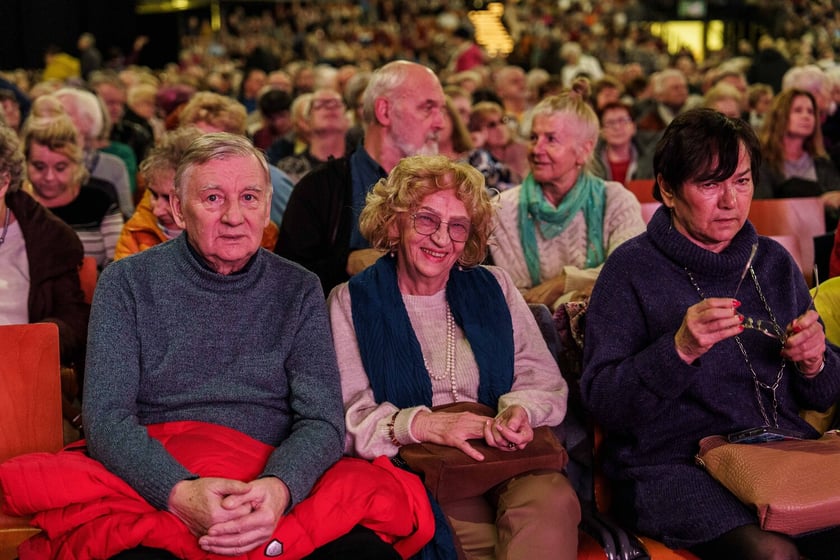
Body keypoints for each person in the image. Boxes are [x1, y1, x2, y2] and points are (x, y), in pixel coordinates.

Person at [42, 133, 430, 559]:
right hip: (161, 473)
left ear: (266, 207)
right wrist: (178, 491)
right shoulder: (126, 282)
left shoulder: (299, 287)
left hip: (270, 477)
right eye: (212, 198)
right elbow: (107, 419)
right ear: (177, 208)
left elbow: (321, 419)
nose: (233, 216)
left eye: (249, 197)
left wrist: (279, 488)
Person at [581, 108, 840, 559]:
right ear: (667, 188)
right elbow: (605, 401)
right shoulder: (631, 270)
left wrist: (815, 360)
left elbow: (822, 394)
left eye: (741, 181)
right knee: (772, 554)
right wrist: (678, 350)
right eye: (709, 184)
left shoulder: (772, 263)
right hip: (669, 467)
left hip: (775, 453)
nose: (731, 201)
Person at [328, 155, 580, 559]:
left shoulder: (495, 285)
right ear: (394, 223)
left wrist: (520, 412)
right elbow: (346, 418)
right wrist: (426, 425)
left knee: (551, 501)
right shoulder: (350, 302)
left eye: (457, 226)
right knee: (460, 540)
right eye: (426, 220)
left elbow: (543, 381)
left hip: (509, 458)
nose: (442, 239)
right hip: (424, 470)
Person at [276, 60, 446, 294]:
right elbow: (285, 282)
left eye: (441, 109)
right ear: (384, 111)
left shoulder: (450, 188)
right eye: (427, 108)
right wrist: (346, 264)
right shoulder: (319, 188)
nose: (441, 123)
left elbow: (475, 266)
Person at [490, 92, 646, 309]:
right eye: (534, 138)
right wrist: (582, 292)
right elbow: (522, 301)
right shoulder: (501, 210)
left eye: (551, 139)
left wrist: (564, 282)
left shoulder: (616, 201)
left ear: (585, 150)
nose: (537, 149)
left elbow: (630, 271)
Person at [0, 122, 88, 435]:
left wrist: (30, 341)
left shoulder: (50, 238)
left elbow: (74, 320)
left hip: (25, 374)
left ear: (4, 181)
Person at [114, 126, 278, 260]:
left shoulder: (262, 233)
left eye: (248, 197)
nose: (157, 209)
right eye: (153, 195)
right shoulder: (137, 229)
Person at [177, 90, 294, 229]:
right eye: (195, 142)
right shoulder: (177, 181)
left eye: (216, 145)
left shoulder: (273, 182)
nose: (204, 152)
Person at [22, 113, 124, 269]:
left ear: (76, 164)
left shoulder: (100, 202)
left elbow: (119, 268)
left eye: (60, 168)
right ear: (25, 163)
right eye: (39, 167)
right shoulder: (14, 206)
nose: (49, 177)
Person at [755, 88, 840, 202]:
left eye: (810, 112)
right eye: (798, 110)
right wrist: (819, 203)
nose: (806, 116)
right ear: (780, 116)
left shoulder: (822, 162)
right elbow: (762, 206)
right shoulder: (761, 162)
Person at [276, 88, 350, 184]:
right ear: (306, 122)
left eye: (337, 104)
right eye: (319, 105)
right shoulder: (289, 168)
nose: (330, 108)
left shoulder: (361, 166)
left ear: (347, 121)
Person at [593, 101, 654, 184]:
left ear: (633, 127)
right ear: (602, 131)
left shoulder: (650, 161)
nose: (617, 127)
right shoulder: (592, 164)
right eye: (610, 123)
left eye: (622, 121)